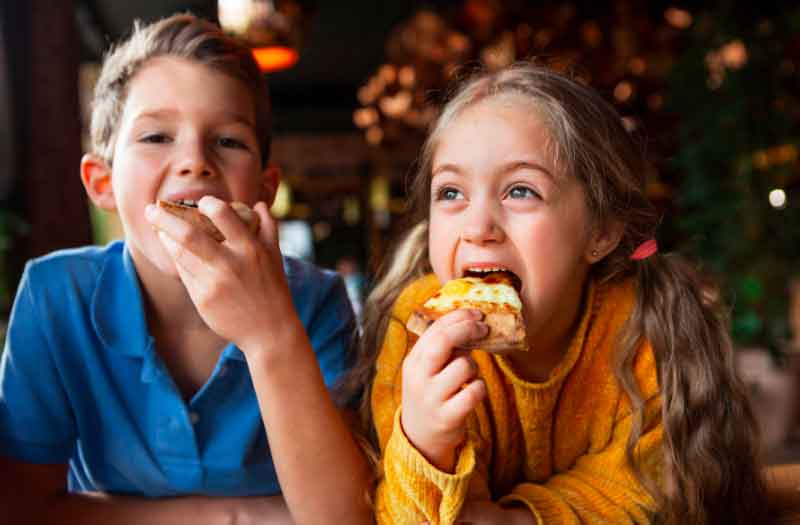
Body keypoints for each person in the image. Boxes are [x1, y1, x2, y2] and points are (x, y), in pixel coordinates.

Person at [342, 63, 769, 524]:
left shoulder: (643, 328)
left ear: (600, 232)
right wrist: (424, 444)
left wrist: (519, 520)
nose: (477, 227)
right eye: (450, 193)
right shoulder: (417, 328)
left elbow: (659, 488)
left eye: (520, 190)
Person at [0, 14, 371, 525]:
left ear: (264, 190)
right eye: (156, 136)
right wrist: (240, 516)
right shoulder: (54, 294)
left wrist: (270, 333)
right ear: (102, 182)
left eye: (228, 141)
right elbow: (23, 508)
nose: (195, 161)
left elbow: (346, 516)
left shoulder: (317, 300)